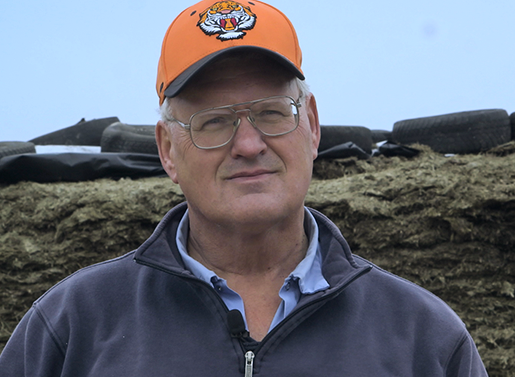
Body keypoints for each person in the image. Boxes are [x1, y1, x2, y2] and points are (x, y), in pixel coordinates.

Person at [0, 1, 488, 375]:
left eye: (272, 113)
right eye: (214, 122)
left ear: (313, 127)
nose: (249, 144)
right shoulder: (70, 329)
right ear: (168, 149)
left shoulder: (424, 338)